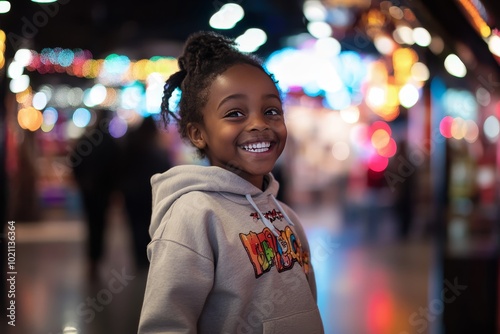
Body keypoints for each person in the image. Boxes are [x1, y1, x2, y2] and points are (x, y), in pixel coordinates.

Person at [138, 31, 324, 334]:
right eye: (235, 113)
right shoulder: (194, 215)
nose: (259, 123)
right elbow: (165, 325)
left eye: (271, 111)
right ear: (198, 133)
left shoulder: (287, 217)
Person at [119, 116, 173, 270]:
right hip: (149, 195)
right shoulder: (154, 148)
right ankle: (148, 257)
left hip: (131, 194)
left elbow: (121, 168)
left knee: (135, 227)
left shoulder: (131, 144)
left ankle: (139, 258)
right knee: (149, 226)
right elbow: (165, 168)